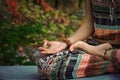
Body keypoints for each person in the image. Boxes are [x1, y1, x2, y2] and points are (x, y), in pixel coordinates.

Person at [37, 0, 120, 80]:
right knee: (48, 64)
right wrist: (66, 44)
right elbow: (89, 24)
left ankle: (108, 55)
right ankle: (113, 60)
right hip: (95, 47)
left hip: (112, 50)